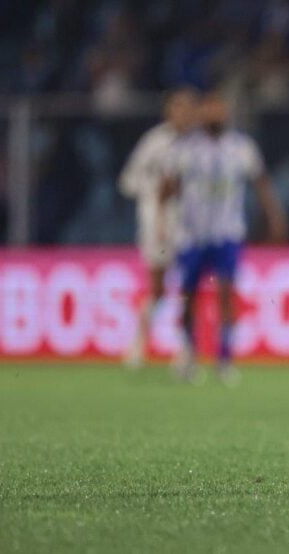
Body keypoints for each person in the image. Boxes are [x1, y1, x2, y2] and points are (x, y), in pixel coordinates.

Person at [161, 92, 287, 384]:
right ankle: (189, 355)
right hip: (191, 235)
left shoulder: (241, 147)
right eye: (211, 108)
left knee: (227, 293)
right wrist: (164, 223)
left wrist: (275, 217)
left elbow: (261, 184)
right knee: (189, 295)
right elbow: (166, 188)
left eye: (221, 109)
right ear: (202, 112)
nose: (217, 114)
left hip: (227, 232)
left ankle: (225, 359)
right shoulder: (185, 149)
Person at [117, 88, 197, 368]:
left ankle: (185, 350)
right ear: (168, 111)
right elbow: (128, 180)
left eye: (188, 108)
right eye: (178, 108)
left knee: (189, 287)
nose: (183, 114)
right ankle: (139, 343)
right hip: (157, 223)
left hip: (191, 224)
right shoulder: (155, 142)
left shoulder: (198, 145)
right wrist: (152, 195)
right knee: (158, 287)